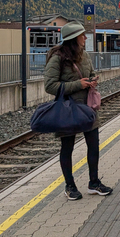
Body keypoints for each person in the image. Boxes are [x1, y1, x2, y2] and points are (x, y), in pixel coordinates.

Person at [44, 21, 113, 201]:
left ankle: (94, 182)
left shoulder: (85, 55)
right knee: (67, 148)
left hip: (87, 107)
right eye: (82, 35)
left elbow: (90, 73)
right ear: (74, 38)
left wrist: (92, 80)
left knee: (94, 145)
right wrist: (78, 84)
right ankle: (70, 186)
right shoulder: (57, 58)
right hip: (68, 109)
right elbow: (50, 86)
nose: (85, 37)